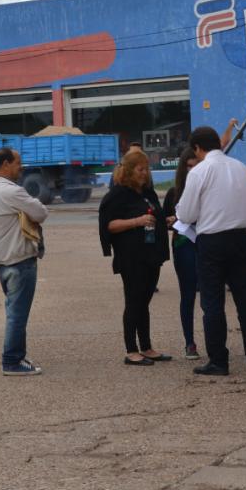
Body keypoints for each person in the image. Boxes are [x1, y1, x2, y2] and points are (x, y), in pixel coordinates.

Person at [175, 125, 246, 376]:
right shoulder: (241, 168)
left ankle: (219, 361)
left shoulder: (199, 171)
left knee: (213, 303)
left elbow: (187, 213)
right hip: (241, 239)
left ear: (197, 148)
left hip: (212, 242)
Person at [98, 149, 171, 366]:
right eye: (141, 169)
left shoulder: (147, 192)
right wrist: (136, 222)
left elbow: (154, 215)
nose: (145, 173)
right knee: (134, 302)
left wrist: (164, 220)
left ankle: (146, 346)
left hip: (152, 255)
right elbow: (108, 226)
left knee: (144, 301)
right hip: (131, 257)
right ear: (129, 171)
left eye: (147, 169)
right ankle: (131, 349)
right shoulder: (117, 195)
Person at [0, 147, 48, 376]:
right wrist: (31, 210)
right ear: (5, 164)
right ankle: (11, 361)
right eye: (17, 162)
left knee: (15, 311)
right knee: (17, 314)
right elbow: (41, 212)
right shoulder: (12, 192)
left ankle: (16, 356)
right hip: (19, 261)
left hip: (5, 259)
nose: (21, 167)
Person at [162, 147, 201, 360]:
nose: (192, 169)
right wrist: (172, 221)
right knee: (187, 296)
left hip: (204, 243)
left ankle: (215, 341)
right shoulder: (174, 193)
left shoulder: (207, 189)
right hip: (183, 244)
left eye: (196, 165)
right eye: (188, 166)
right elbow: (165, 219)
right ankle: (189, 342)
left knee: (210, 295)